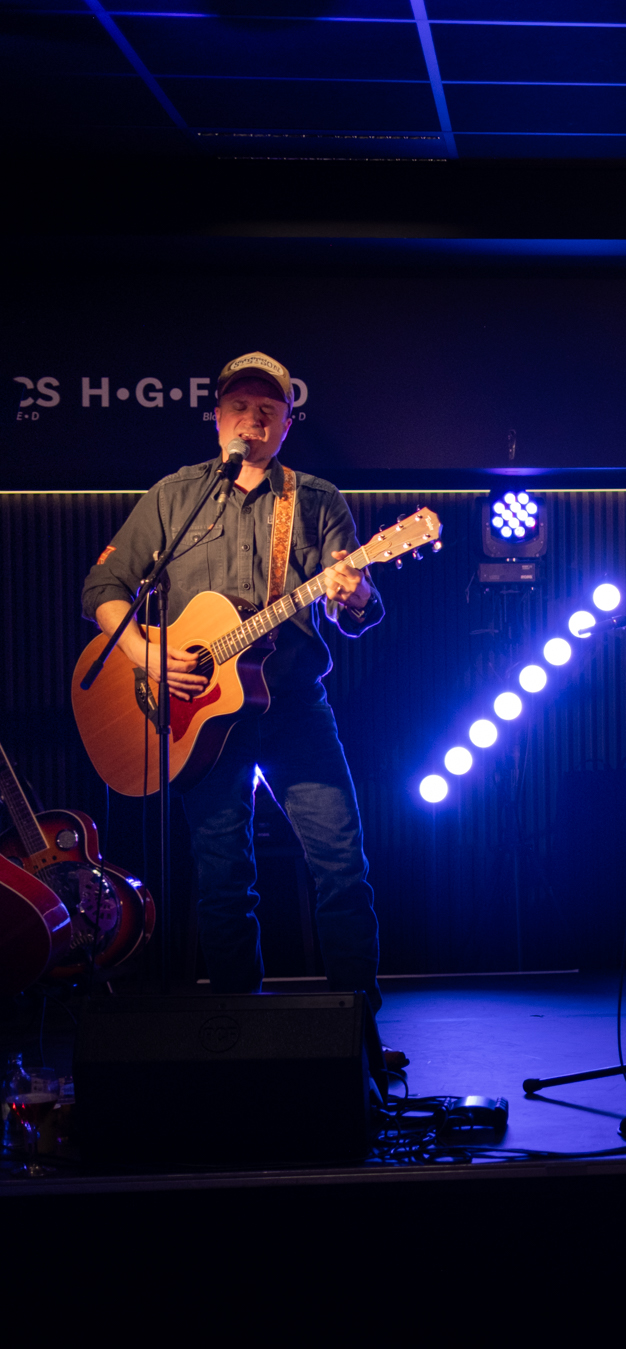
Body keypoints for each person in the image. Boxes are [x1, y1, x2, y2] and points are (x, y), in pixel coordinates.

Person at [81, 351, 399, 1057]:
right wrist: (145, 653)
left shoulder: (315, 499)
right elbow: (102, 589)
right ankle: (238, 1040)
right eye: (239, 406)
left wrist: (356, 591)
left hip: (293, 707)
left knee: (342, 868)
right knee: (223, 879)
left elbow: (358, 610)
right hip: (196, 721)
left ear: (286, 424)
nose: (252, 419)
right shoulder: (176, 495)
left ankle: (361, 1040)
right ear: (217, 416)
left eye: (268, 409)